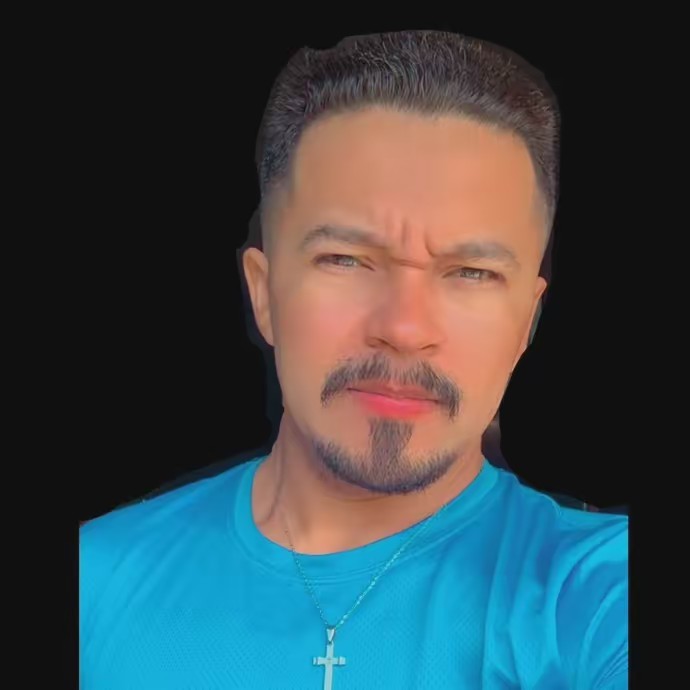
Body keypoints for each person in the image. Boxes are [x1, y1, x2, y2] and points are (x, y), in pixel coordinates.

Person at [80, 30, 628, 689]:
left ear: (526, 322)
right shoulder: (89, 584)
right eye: (345, 259)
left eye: (472, 272)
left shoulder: (602, 595)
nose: (404, 328)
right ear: (263, 295)